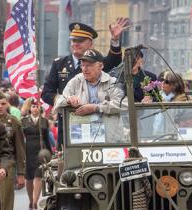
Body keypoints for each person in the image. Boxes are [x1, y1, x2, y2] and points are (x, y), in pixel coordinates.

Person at [42, 19, 129, 148]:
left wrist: (115, 39)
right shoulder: (59, 64)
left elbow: (114, 61)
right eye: (73, 40)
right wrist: (68, 100)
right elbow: (46, 93)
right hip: (70, 126)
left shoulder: (99, 63)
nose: (75, 44)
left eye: (80, 41)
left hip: (101, 128)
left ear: (90, 44)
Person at [54, 49, 127, 115]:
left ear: (101, 66)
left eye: (89, 65)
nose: (85, 69)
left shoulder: (112, 82)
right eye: (82, 65)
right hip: (81, 128)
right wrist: (68, 100)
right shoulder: (75, 81)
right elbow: (58, 103)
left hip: (107, 128)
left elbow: (123, 104)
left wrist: (96, 108)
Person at [21, 98, 52, 210]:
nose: (35, 108)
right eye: (33, 106)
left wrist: (50, 153)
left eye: (37, 106)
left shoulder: (44, 121)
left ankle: (35, 202)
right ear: (30, 108)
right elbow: (19, 139)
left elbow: (47, 138)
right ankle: (30, 200)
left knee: (38, 176)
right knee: (29, 178)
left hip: (41, 151)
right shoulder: (23, 121)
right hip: (27, 151)